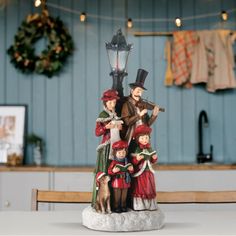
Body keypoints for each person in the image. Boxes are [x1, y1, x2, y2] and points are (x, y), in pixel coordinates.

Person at [91, 89, 122, 208]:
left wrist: (119, 127)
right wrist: (106, 127)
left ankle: (115, 201)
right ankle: (101, 200)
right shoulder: (102, 116)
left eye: (114, 102)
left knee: (115, 170)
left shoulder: (116, 115)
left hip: (117, 145)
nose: (112, 105)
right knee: (105, 171)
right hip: (107, 147)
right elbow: (97, 132)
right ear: (105, 103)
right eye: (109, 103)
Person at [121, 68, 159, 146]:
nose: (140, 94)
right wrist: (139, 115)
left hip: (143, 136)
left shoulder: (142, 105)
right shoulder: (127, 105)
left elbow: (147, 123)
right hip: (133, 135)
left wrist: (154, 115)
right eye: (138, 91)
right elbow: (127, 122)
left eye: (141, 92)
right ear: (132, 91)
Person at [130, 124, 158, 211]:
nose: (144, 140)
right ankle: (140, 204)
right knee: (140, 188)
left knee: (149, 187)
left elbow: (153, 160)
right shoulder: (137, 149)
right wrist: (137, 159)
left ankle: (150, 204)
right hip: (140, 172)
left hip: (148, 171)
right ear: (138, 139)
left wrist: (154, 158)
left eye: (146, 138)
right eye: (142, 138)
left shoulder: (150, 148)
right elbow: (134, 162)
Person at [108, 140, 134, 213]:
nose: (122, 154)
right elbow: (109, 171)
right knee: (117, 196)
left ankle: (123, 206)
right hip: (117, 181)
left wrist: (131, 169)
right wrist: (113, 171)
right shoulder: (114, 162)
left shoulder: (127, 161)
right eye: (119, 152)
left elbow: (132, 171)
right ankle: (116, 206)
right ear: (115, 153)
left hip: (125, 181)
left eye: (123, 152)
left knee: (124, 196)